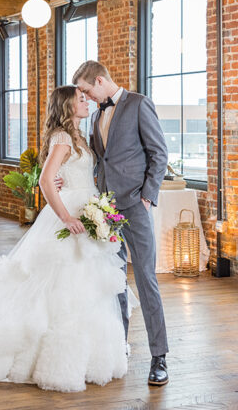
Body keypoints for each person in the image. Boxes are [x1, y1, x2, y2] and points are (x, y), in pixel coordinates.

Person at [0, 86, 128, 392]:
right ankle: (43, 357)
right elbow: (44, 179)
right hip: (69, 214)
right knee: (59, 283)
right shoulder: (63, 137)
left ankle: (88, 355)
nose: (86, 101)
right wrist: (66, 216)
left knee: (85, 285)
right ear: (67, 106)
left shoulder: (79, 134)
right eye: (80, 98)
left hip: (86, 205)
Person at [72, 60, 170, 386]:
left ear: (100, 81)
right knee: (113, 281)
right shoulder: (98, 114)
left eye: (87, 91)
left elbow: (159, 153)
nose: (86, 98)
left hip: (136, 207)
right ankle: (119, 346)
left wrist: (147, 197)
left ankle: (159, 357)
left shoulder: (139, 104)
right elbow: (100, 159)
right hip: (106, 211)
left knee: (145, 279)